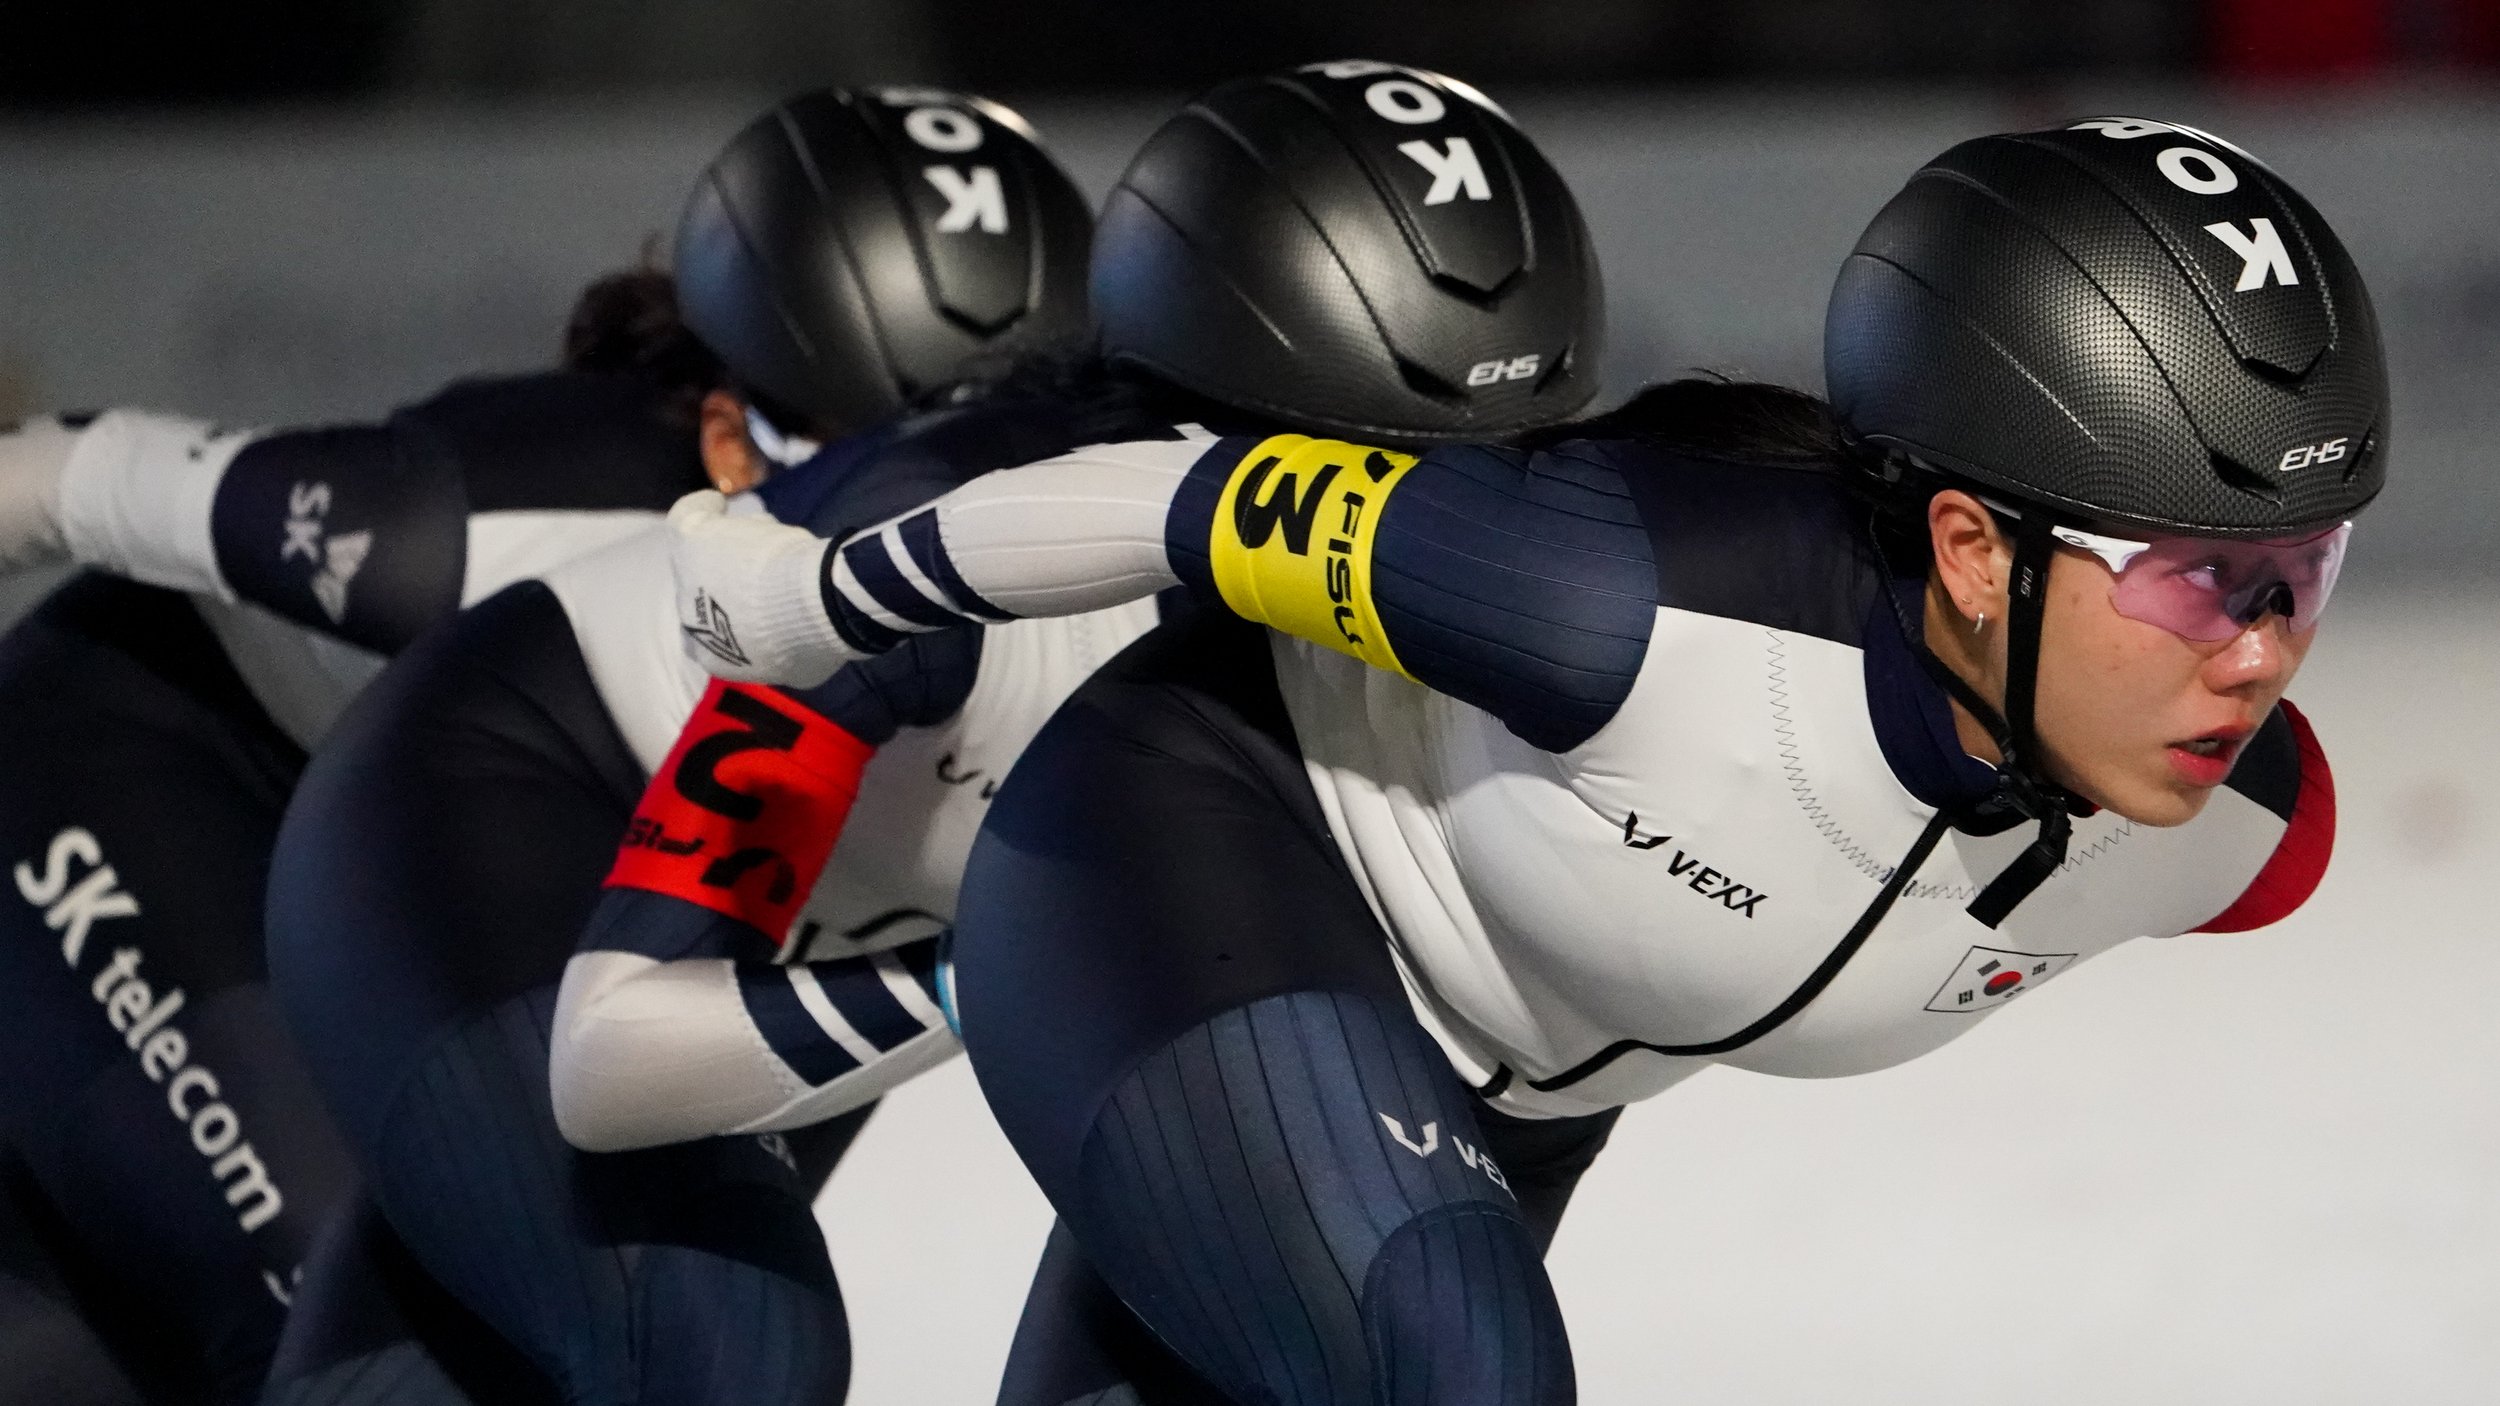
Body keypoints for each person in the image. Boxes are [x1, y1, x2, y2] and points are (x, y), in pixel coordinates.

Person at [664, 116, 2378, 1404]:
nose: (2264, 649)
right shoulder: (1610, 594)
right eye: (2199, 575)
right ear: (1975, 546)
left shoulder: (2242, 828)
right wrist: (808, 589)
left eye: (2312, 569)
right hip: (1176, 871)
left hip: (1503, 1085)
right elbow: (1179, 502)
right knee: (1461, 1361)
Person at [263, 60, 1603, 1406]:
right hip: (488, 831)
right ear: (1214, 429)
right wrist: (995, 980)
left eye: (1504, 467)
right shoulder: (929, 563)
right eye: (1380, 473)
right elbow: (612, 1056)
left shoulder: (1485, 598)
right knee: (728, 1345)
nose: (1437, 551)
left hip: (850, 910)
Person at [0, 84, 1088, 1405]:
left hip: (463, 907)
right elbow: (57, 472)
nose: (932, 544)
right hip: (154, 773)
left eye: (1007, 463)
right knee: (309, 1302)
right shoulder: (521, 516)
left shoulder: (1080, 587)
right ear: (727, 445)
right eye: (889, 477)